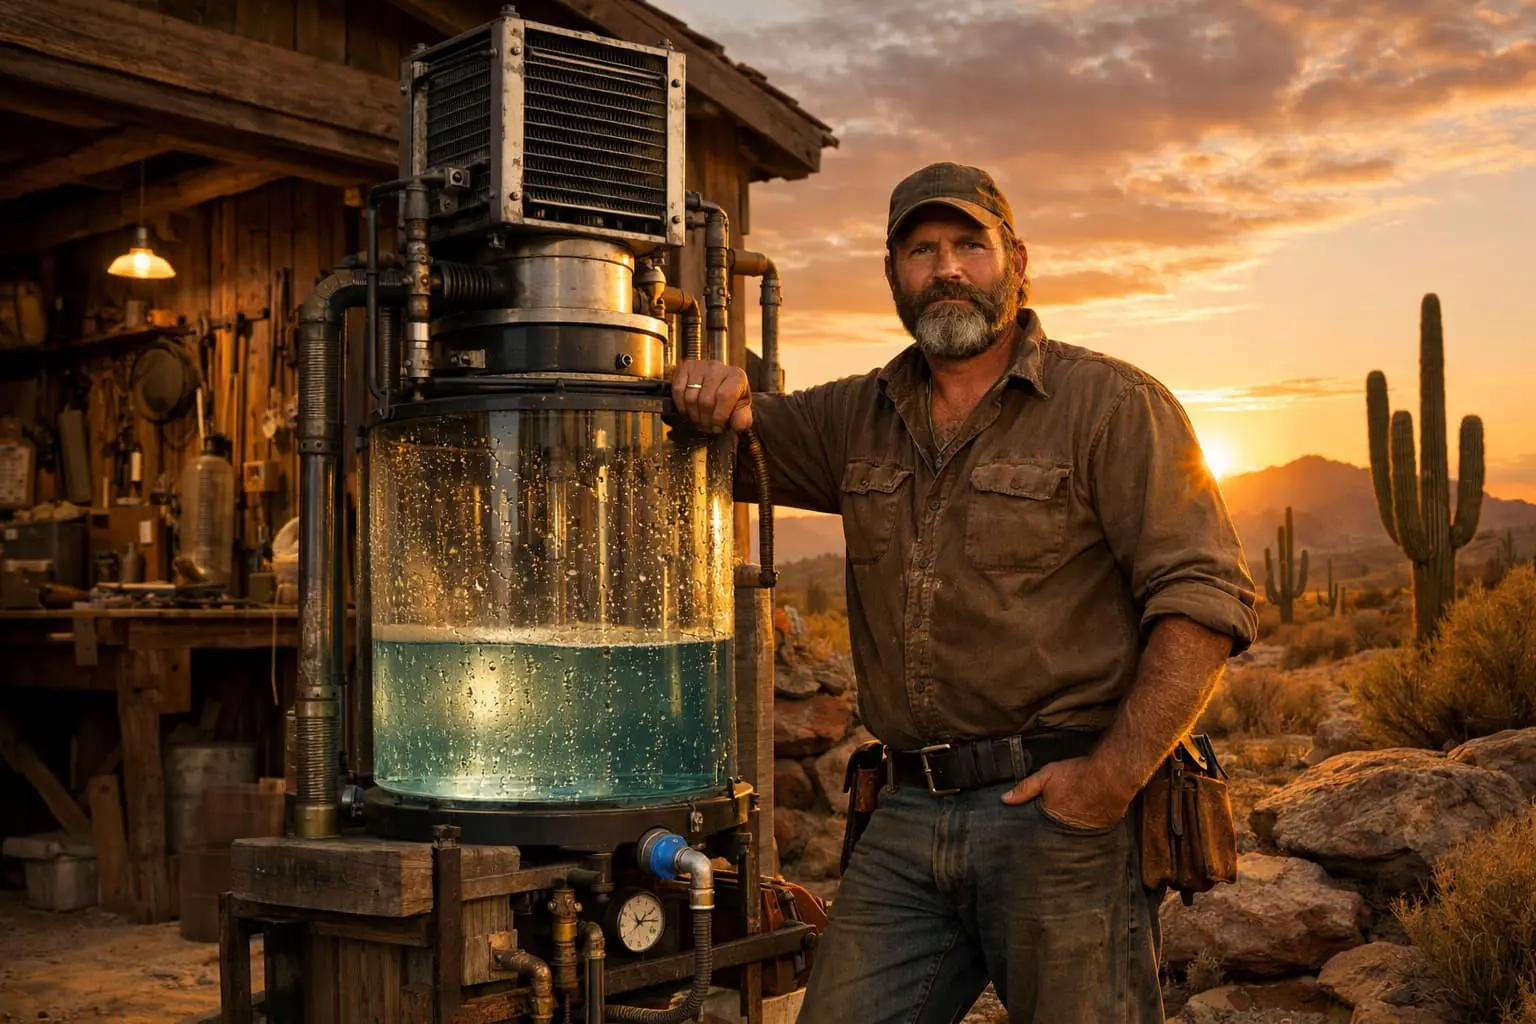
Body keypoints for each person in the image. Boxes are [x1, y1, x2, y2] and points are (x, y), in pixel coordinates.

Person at [671, 162, 1258, 1023]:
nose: (946, 268)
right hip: (906, 815)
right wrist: (709, 389)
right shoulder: (856, 416)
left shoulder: (1111, 406)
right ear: (893, 275)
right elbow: (731, 434)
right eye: (921, 250)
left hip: (1058, 819)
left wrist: (1108, 781)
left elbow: (1205, 598)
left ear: (1015, 261)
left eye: (968, 246)